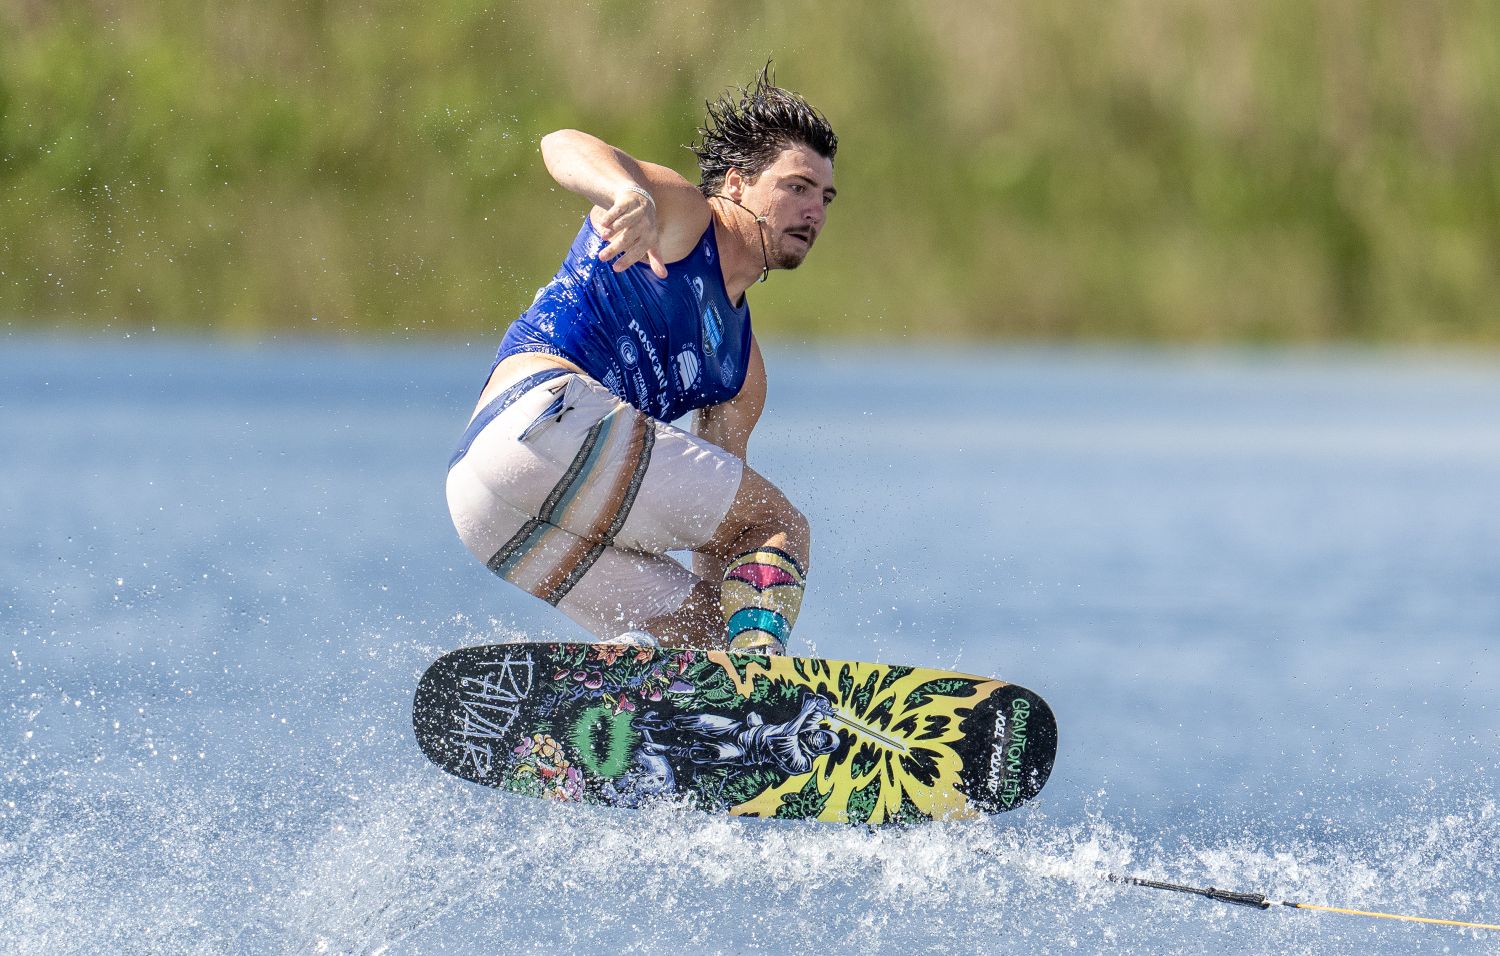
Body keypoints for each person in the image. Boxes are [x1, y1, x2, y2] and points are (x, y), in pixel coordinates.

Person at [446, 68, 837, 654]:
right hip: (540, 418)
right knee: (782, 526)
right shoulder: (682, 219)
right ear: (736, 184)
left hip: (484, 507)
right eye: (798, 187)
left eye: (825, 198)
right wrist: (628, 194)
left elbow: (724, 540)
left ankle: (688, 711)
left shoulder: (742, 372)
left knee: (706, 631)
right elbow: (561, 143)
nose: (815, 212)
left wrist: (721, 644)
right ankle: (760, 685)